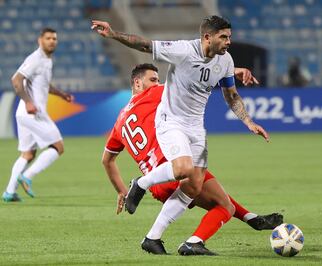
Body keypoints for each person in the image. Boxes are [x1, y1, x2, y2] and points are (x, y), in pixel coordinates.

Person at [92, 15, 269, 253]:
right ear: (207, 37)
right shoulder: (182, 51)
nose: (228, 41)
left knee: (194, 184)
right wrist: (114, 34)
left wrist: (248, 121)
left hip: (196, 127)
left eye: (229, 37)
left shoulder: (225, 60)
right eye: (224, 37)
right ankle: (141, 183)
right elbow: (144, 44)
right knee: (186, 170)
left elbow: (231, 95)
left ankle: (154, 239)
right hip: (171, 122)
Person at [2, 28, 74, 202]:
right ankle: (27, 176)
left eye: (54, 38)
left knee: (27, 154)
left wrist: (62, 94)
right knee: (58, 146)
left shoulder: (47, 60)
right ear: (39, 40)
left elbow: (44, 85)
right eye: (48, 38)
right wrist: (28, 102)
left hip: (24, 114)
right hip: (31, 113)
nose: (52, 41)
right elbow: (16, 80)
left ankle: (9, 192)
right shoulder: (36, 59)